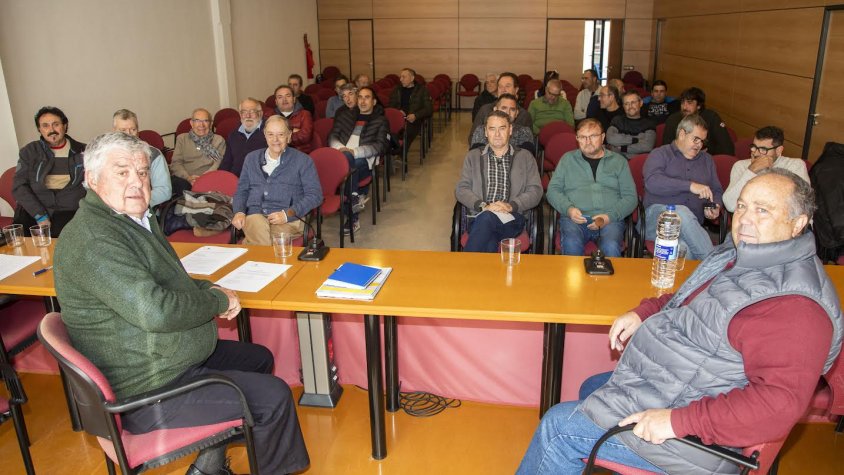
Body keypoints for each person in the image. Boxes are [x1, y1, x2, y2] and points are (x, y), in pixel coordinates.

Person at [518, 168, 842, 474]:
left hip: (698, 438)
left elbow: (775, 406)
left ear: (798, 223)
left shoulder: (796, 307)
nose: (744, 220)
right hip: (686, 385)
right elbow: (690, 298)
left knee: (558, 427)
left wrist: (675, 421)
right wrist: (644, 312)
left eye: (763, 211)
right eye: (742, 206)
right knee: (592, 386)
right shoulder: (742, 254)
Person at [54, 132, 310, 475]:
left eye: (143, 172)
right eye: (122, 172)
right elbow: (155, 310)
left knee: (258, 358)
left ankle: (208, 465)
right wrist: (215, 300)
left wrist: (208, 287)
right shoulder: (94, 238)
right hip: (146, 389)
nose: (137, 182)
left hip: (161, 356)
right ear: (91, 179)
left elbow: (170, 280)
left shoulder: (130, 220)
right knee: (275, 396)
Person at [547, 119, 637, 257]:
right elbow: (552, 191)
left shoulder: (619, 162)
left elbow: (631, 197)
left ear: (602, 137)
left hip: (610, 220)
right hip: (575, 220)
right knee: (571, 244)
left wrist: (609, 217)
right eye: (583, 137)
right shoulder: (567, 160)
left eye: (593, 136)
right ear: (577, 139)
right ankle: (575, 280)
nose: (588, 141)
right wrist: (569, 209)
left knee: (611, 246)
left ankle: (609, 279)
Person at [455, 110, 542, 253]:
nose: (497, 134)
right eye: (492, 129)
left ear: (510, 130)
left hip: (512, 217)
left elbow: (536, 191)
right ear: (485, 132)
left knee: (487, 221)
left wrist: (511, 206)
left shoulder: (525, 157)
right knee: (488, 236)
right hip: (480, 215)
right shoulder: (473, 156)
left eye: (502, 128)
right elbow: (461, 189)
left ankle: (464, 269)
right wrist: (483, 206)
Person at [231, 115, 322, 245]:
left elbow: (315, 195)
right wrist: (239, 211)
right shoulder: (251, 159)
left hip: (289, 220)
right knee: (256, 223)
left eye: (281, 134)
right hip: (255, 216)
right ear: (264, 135)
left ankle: (253, 247)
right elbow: (242, 190)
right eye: (270, 134)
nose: (275, 140)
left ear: (289, 136)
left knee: (261, 236)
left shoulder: (303, 161)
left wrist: (287, 214)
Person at [644, 113, 722, 260]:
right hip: (657, 220)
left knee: (684, 250)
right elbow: (652, 182)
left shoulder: (707, 160)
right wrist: (690, 186)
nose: (699, 145)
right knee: (679, 212)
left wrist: (715, 206)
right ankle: (714, 264)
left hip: (692, 228)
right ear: (681, 134)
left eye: (702, 141)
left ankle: (695, 281)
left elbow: (716, 190)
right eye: (696, 139)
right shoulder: (660, 154)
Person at [13, 106, 86, 237]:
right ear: (39, 129)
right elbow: (19, 187)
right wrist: (40, 216)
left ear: (65, 125)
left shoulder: (84, 151)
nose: (51, 130)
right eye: (45, 126)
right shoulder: (29, 152)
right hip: (34, 209)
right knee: (21, 245)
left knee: (65, 243)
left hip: (69, 210)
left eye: (56, 124)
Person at [328, 86, 388, 235]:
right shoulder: (345, 116)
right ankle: (354, 198)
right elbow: (332, 136)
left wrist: (354, 152)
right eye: (360, 97)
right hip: (341, 155)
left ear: (374, 101)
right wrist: (341, 149)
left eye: (367, 97)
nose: (362, 101)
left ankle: (353, 217)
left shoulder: (381, 121)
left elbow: (380, 146)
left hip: (364, 160)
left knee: (350, 165)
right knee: (347, 165)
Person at [723, 126, 809, 212]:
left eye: (763, 149)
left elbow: (803, 205)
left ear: (779, 150)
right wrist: (751, 171)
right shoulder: (740, 166)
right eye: (754, 147)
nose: (756, 153)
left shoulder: (795, 166)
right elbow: (730, 205)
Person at [112, 109, 172, 207]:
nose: (129, 134)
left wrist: (134, 202)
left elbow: (164, 191)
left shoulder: (153, 154)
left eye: (133, 129)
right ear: (114, 132)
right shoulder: (106, 156)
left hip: (143, 208)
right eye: (123, 130)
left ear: (138, 131)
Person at [170, 108, 226, 197]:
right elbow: (176, 163)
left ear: (211, 124)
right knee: (179, 185)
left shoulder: (218, 140)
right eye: (197, 121)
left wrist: (202, 179)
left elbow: (218, 163)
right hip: (185, 179)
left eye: (205, 121)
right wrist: (188, 177)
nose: (201, 125)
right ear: (191, 123)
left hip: (209, 178)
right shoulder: (182, 139)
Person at [662, 87, 735, 156]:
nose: (684, 107)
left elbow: (727, 148)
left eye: (689, 103)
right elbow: (667, 149)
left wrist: (707, 155)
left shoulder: (711, 118)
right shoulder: (673, 120)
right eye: (682, 102)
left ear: (699, 106)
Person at [471, 72, 532, 139]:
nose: (503, 90)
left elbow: (528, 142)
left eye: (507, 86)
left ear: (516, 90)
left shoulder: (524, 115)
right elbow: (472, 137)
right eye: (500, 86)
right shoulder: (485, 110)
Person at [469, 94, 535, 154]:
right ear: (495, 109)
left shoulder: (525, 132)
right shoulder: (481, 130)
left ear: (516, 113)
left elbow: (526, 158)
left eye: (512, 109)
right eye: (504, 108)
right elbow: (475, 156)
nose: (508, 112)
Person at [219, 97, 268, 177]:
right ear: (240, 114)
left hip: (260, 181)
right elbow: (226, 163)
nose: (248, 116)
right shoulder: (233, 135)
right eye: (244, 112)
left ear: (260, 113)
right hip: (235, 180)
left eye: (252, 111)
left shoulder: (270, 133)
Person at [606, 90, 657, 159]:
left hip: (639, 163)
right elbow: (610, 138)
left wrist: (621, 148)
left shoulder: (649, 123)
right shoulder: (617, 120)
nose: (630, 106)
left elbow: (647, 146)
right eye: (626, 104)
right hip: (618, 162)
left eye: (633, 102)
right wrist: (636, 140)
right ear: (623, 106)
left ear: (641, 103)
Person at [388, 67, 432, 147]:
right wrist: (398, 112)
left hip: (414, 118)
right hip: (398, 117)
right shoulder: (396, 89)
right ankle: (392, 152)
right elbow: (391, 105)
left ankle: (400, 155)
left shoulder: (422, 90)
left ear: (412, 78)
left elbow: (428, 109)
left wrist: (416, 115)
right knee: (385, 129)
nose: (401, 79)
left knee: (407, 131)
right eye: (400, 77)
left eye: (404, 77)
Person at [274, 84, 314, 153]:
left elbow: (305, 136)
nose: (284, 100)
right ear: (276, 102)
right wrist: (292, 130)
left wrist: (280, 136)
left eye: (288, 96)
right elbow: (266, 139)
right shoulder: (272, 117)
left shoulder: (304, 114)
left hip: (299, 154)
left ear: (294, 99)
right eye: (280, 97)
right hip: (277, 155)